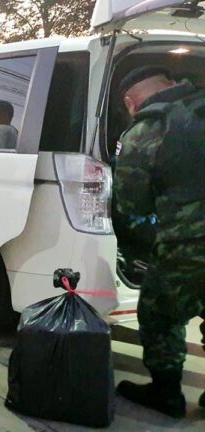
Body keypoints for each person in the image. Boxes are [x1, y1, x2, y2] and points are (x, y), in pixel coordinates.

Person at [112, 65, 205, 417]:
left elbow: (132, 204)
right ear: (172, 83)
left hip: (187, 243)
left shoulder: (145, 130)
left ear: (130, 101)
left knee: (160, 313)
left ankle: (166, 394)